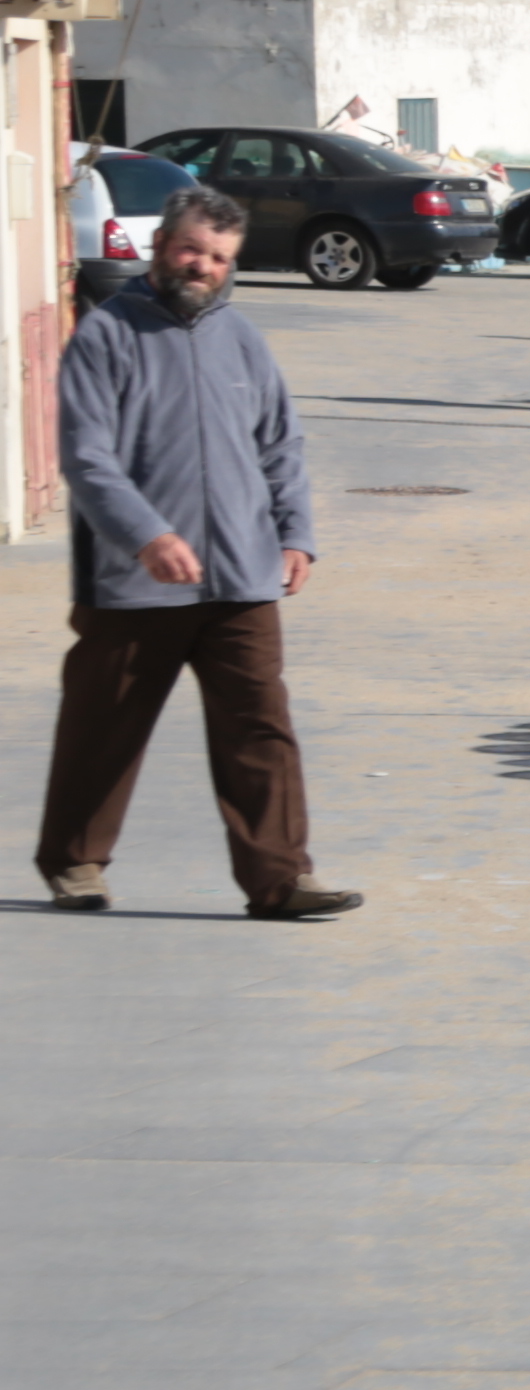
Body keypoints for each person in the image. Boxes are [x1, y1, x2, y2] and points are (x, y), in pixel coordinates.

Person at [38, 185, 351, 919]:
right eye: (190, 250)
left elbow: (281, 443)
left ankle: (281, 879)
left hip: (242, 576)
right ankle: (76, 862)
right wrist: (147, 534)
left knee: (260, 728)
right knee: (103, 726)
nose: (201, 266)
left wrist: (296, 533)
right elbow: (87, 459)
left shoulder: (241, 337)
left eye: (217, 258)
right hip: (132, 582)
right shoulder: (106, 336)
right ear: (160, 246)